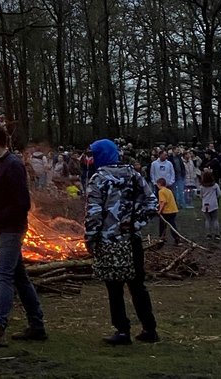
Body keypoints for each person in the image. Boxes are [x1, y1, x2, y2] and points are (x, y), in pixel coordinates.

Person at [0, 121, 46, 347]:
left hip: (11, 230)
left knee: (3, 276)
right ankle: (37, 326)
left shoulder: (12, 165)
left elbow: (22, 203)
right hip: (1, 230)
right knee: (20, 279)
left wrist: (0, 221)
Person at [85, 138, 160, 346]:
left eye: (94, 154)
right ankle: (149, 328)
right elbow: (152, 202)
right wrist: (137, 224)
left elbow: (94, 212)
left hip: (109, 241)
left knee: (114, 287)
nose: (91, 159)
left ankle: (122, 331)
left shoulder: (98, 179)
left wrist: (90, 237)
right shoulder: (134, 175)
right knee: (137, 285)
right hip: (132, 239)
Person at [155, 178, 179, 245]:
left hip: (167, 211)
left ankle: (162, 237)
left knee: (162, 225)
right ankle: (176, 237)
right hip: (173, 210)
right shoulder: (169, 190)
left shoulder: (161, 191)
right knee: (172, 225)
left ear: (159, 184)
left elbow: (163, 202)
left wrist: (159, 211)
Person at [199, 168, 221, 239]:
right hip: (213, 204)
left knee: (207, 219)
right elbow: (219, 194)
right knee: (215, 219)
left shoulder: (202, 187)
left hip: (205, 204)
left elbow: (201, 196)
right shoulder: (215, 185)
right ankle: (217, 234)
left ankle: (208, 234)